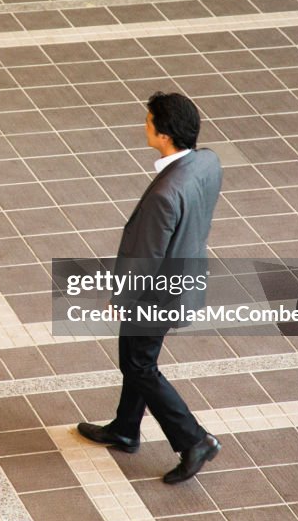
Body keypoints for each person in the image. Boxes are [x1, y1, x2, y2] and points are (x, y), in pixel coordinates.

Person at [77, 92, 222, 483]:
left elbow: (146, 256)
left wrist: (120, 298)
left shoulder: (164, 194)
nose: (144, 125)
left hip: (155, 293)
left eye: (148, 121)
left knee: (139, 365)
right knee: (138, 361)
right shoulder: (206, 161)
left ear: (164, 134)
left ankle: (194, 440)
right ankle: (125, 428)